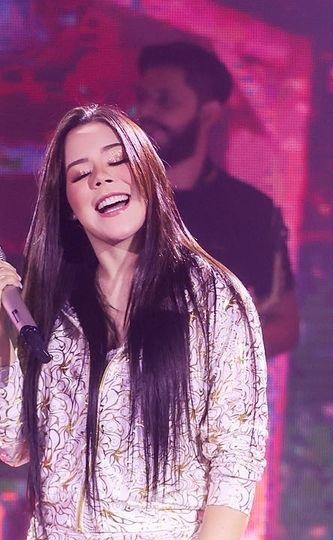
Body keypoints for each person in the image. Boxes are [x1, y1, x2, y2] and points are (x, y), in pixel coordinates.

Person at [0, 104, 268, 540]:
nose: (102, 179)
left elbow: (235, 467)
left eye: (117, 161)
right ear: (68, 203)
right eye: (80, 174)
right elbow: (14, 444)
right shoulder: (52, 309)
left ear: (148, 172)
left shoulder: (212, 298)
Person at [135, 41, 299, 356]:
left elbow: (284, 327)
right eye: (142, 98)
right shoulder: (110, 195)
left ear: (208, 113)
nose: (146, 113)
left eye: (165, 101)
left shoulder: (251, 211)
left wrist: (202, 352)